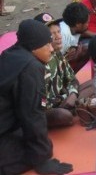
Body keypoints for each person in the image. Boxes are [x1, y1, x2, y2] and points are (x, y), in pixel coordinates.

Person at [0, 19, 73, 175]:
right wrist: (42, 159)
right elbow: (32, 115)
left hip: (8, 123)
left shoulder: (11, 53)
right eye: (46, 44)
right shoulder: (31, 67)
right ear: (33, 47)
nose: (51, 49)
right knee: (32, 151)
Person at [34, 13, 79, 128]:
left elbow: (72, 78)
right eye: (52, 34)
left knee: (92, 83)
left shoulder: (56, 53)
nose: (58, 36)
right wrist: (66, 99)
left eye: (58, 31)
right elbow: (41, 103)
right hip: (48, 109)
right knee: (63, 116)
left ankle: (74, 107)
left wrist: (73, 94)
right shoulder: (35, 65)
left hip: (63, 98)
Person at [60, 2, 90, 72]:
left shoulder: (74, 28)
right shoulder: (62, 36)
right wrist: (76, 57)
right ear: (78, 24)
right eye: (87, 23)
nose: (88, 25)